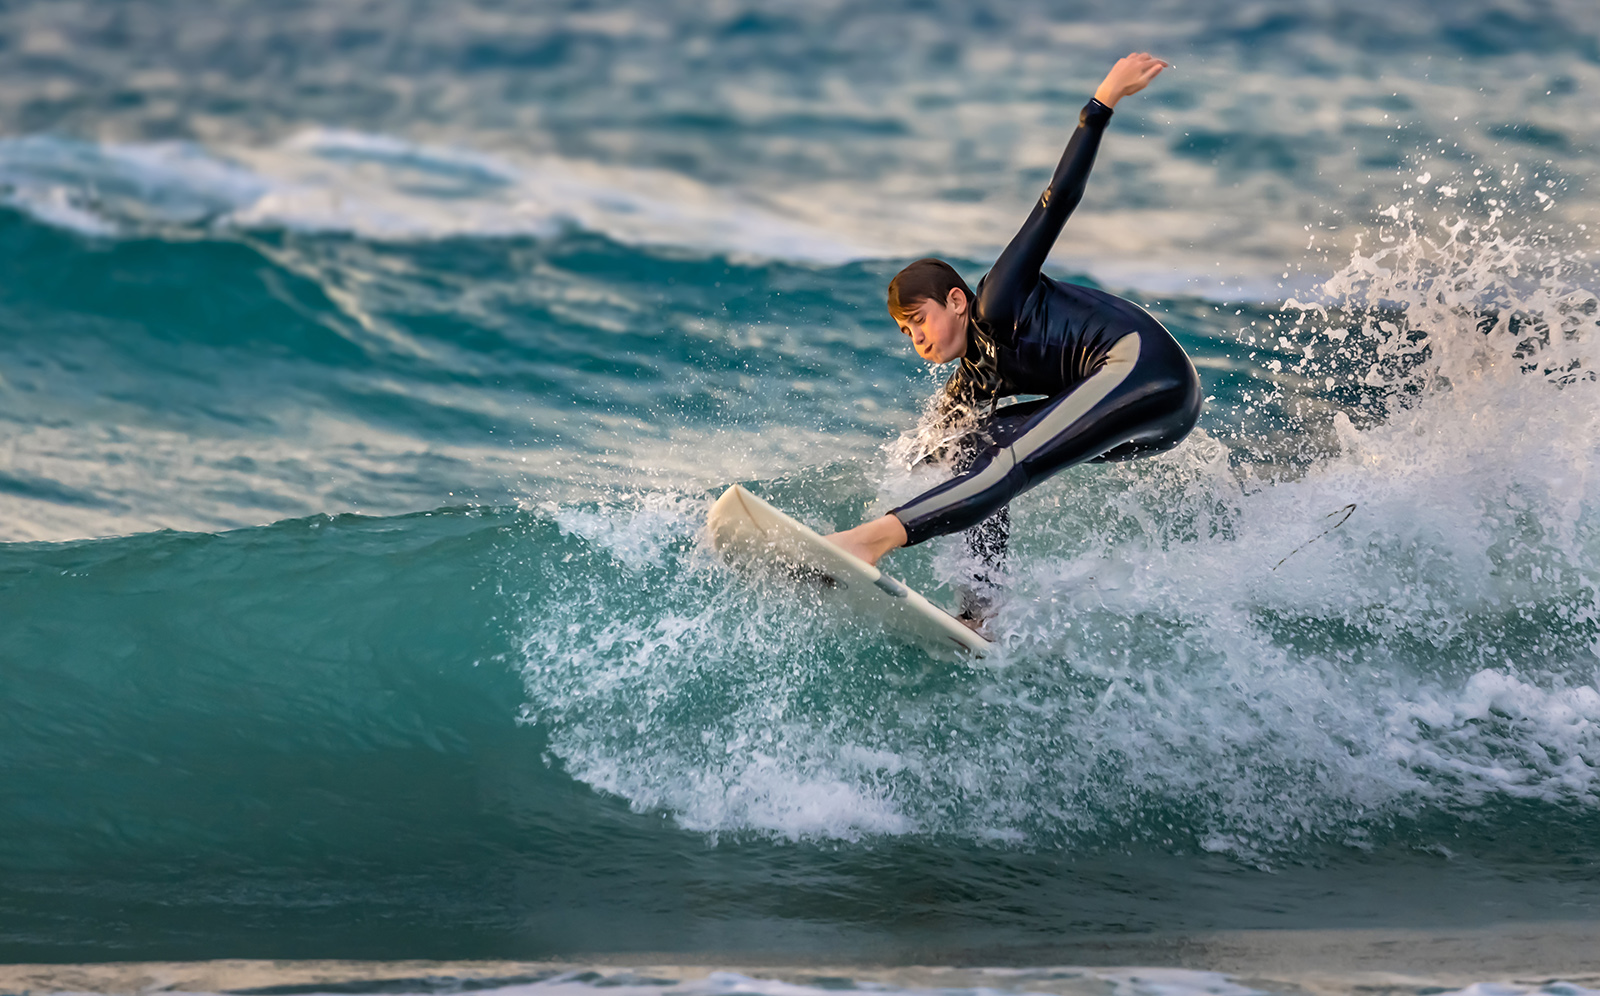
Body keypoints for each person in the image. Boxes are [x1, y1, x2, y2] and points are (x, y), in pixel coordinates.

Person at [824, 52, 1202, 629]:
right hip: (1144, 423)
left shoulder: (999, 297)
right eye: (906, 332)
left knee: (1006, 458)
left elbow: (1057, 201)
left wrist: (1101, 103)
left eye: (920, 319)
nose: (917, 338)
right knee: (971, 447)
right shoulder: (973, 378)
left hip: (1147, 374)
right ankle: (983, 609)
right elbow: (934, 447)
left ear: (955, 300)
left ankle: (868, 542)